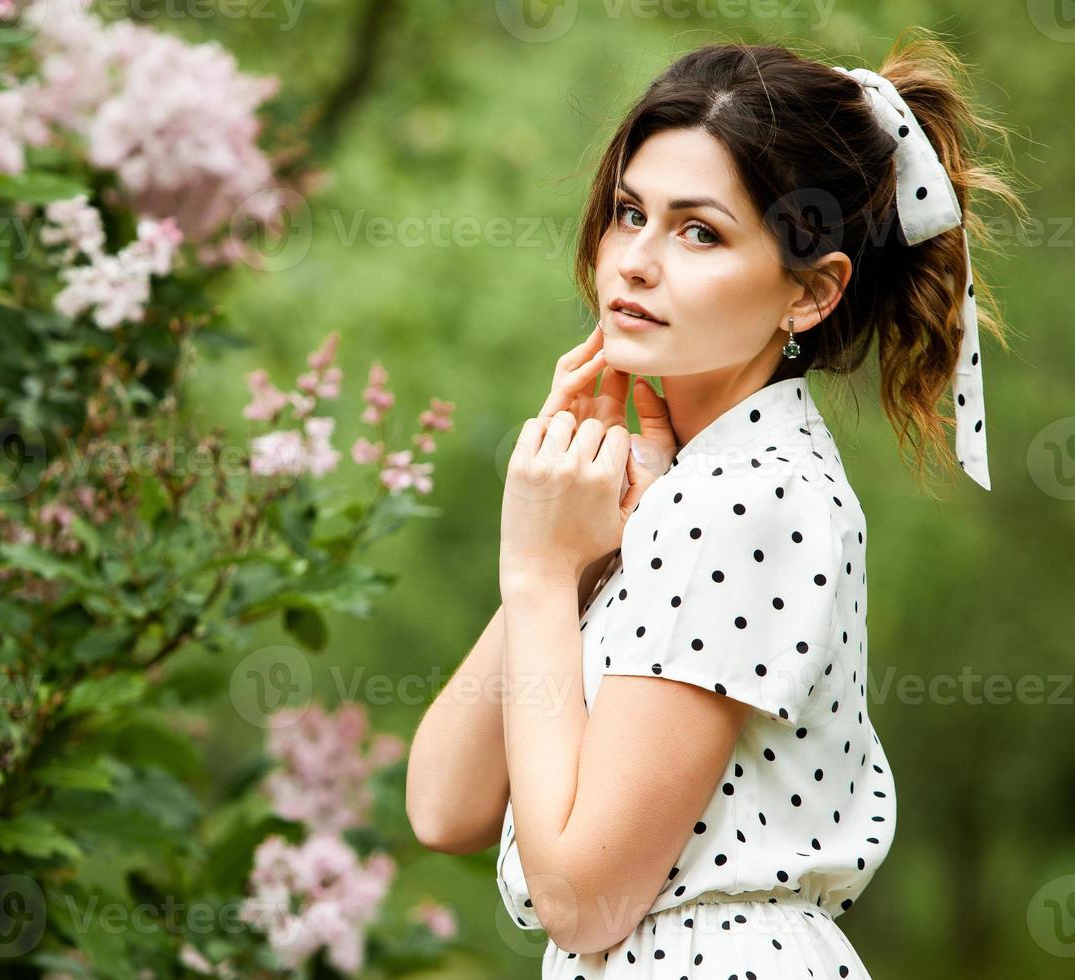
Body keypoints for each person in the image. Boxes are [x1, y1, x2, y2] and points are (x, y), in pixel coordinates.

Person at [405, 29, 1022, 978]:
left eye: (700, 230)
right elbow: (443, 806)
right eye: (627, 212)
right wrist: (569, 557)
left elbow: (582, 899)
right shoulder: (689, 486)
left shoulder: (754, 496)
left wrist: (534, 570)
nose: (636, 262)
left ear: (810, 295)